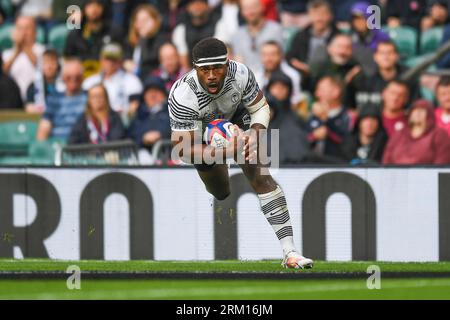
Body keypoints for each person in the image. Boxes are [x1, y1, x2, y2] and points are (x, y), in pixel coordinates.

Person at [168, 37, 313, 269]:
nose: (212, 75)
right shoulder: (182, 95)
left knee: (262, 176)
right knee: (221, 192)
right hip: (203, 139)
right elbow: (183, 150)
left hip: (238, 120)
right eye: (205, 69)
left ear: (228, 64)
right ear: (195, 69)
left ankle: (290, 252)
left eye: (217, 67)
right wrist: (226, 150)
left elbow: (260, 108)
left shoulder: (242, 74)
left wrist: (254, 136)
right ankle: (223, 164)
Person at [83, 43, 143, 123]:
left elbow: (134, 106)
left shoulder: (132, 80)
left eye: (114, 60)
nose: (110, 63)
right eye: (107, 59)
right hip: (94, 122)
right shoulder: (90, 82)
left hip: (122, 122)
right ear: (101, 60)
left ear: (120, 61)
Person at [64, 0, 123, 77]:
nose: (94, 9)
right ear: (84, 8)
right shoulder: (75, 34)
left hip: (108, 76)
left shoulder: (114, 32)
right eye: (90, 5)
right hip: (80, 77)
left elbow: (121, 57)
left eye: (98, 4)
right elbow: (67, 58)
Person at [382, 99, 450, 165]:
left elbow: (442, 161)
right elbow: (387, 158)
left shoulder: (439, 134)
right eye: (414, 110)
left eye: (422, 110)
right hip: (398, 175)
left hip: (426, 175)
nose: (417, 113)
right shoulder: (399, 134)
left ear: (429, 114)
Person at [286, 0, 339, 82]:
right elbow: (290, 56)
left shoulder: (338, 36)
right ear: (309, 16)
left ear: (330, 16)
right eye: (315, 14)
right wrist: (299, 65)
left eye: (323, 14)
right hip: (303, 75)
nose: (319, 18)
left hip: (329, 76)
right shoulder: (301, 35)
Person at [357, 40, 420, 107]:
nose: (386, 57)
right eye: (382, 53)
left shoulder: (409, 77)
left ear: (396, 56)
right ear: (375, 57)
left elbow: (415, 104)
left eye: (390, 53)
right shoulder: (367, 79)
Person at [36, 59, 87, 141]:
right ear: (63, 78)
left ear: (83, 77)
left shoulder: (90, 98)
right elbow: (45, 126)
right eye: (68, 77)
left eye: (77, 77)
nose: (73, 80)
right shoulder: (53, 99)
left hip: (82, 146)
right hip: (58, 145)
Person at [265, 72, 310, 164]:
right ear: (269, 89)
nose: (279, 90)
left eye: (283, 87)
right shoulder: (260, 112)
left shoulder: (295, 117)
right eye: (276, 87)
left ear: (289, 91)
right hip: (268, 164)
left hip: (294, 164)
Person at [306, 75, 354, 161]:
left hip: (338, 167)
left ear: (336, 92)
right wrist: (314, 136)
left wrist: (325, 119)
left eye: (321, 90)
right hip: (309, 167)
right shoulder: (310, 116)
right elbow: (298, 143)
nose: (317, 94)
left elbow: (348, 144)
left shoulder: (349, 116)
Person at [310, 33, 363, 109]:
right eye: (340, 46)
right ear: (329, 49)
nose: (343, 51)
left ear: (352, 51)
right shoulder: (319, 69)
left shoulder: (356, 69)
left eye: (347, 48)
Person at [231, 0, 283, 73]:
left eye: (253, 7)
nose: (250, 12)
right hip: (246, 79)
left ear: (262, 7)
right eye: (246, 8)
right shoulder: (237, 35)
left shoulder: (276, 30)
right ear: (241, 12)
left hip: (271, 77)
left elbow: (280, 60)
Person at [2, 16, 45, 100]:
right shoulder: (6, 54)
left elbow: (42, 68)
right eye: (20, 28)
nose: (23, 32)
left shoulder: (43, 50)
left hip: (35, 98)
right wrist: (16, 52)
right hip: (12, 100)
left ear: (35, 31)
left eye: (27, 28)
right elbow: (3, 73)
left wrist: (23, 45)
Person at [123, 4, 169, 78]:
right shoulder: (132, 41)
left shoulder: (162, 40)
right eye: (138, 21)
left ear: (155, 21)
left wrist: (136, 70)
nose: (141, 24)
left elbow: (150, 64)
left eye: (145, 20)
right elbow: (126, 59)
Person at [128, 76, 171, 153]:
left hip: (168, 156)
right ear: (144, 96)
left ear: (164, 95)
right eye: (149, 92)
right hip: (142, 157)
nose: (152, 95)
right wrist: (142, 139)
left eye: (156, 91)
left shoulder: (172, 112)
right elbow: (130, 136)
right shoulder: (138, 115)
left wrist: (162, 135)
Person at [172, 0, 220, 69]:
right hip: (190, 72)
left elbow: (220, 53)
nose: (197, 6)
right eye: (193, 3)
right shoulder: (181, 28)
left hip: (214, 69)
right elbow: (183, 58)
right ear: (188, 7)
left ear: (207, 6)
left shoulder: (218, 24)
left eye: (200, 2)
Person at [257, 41, 302, 107]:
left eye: (273, 54)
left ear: (281, 56)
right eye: (265, 55)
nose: (268, 59)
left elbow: (296, 101)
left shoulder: (292, 75)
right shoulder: (255, 76)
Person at [25, 49, 64, 114]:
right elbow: (29, 107)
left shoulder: (65, 84)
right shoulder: (33, 86)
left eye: (53, 62)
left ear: (58, 65)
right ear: (41, 65)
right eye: (46, 62)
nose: (49, 66)